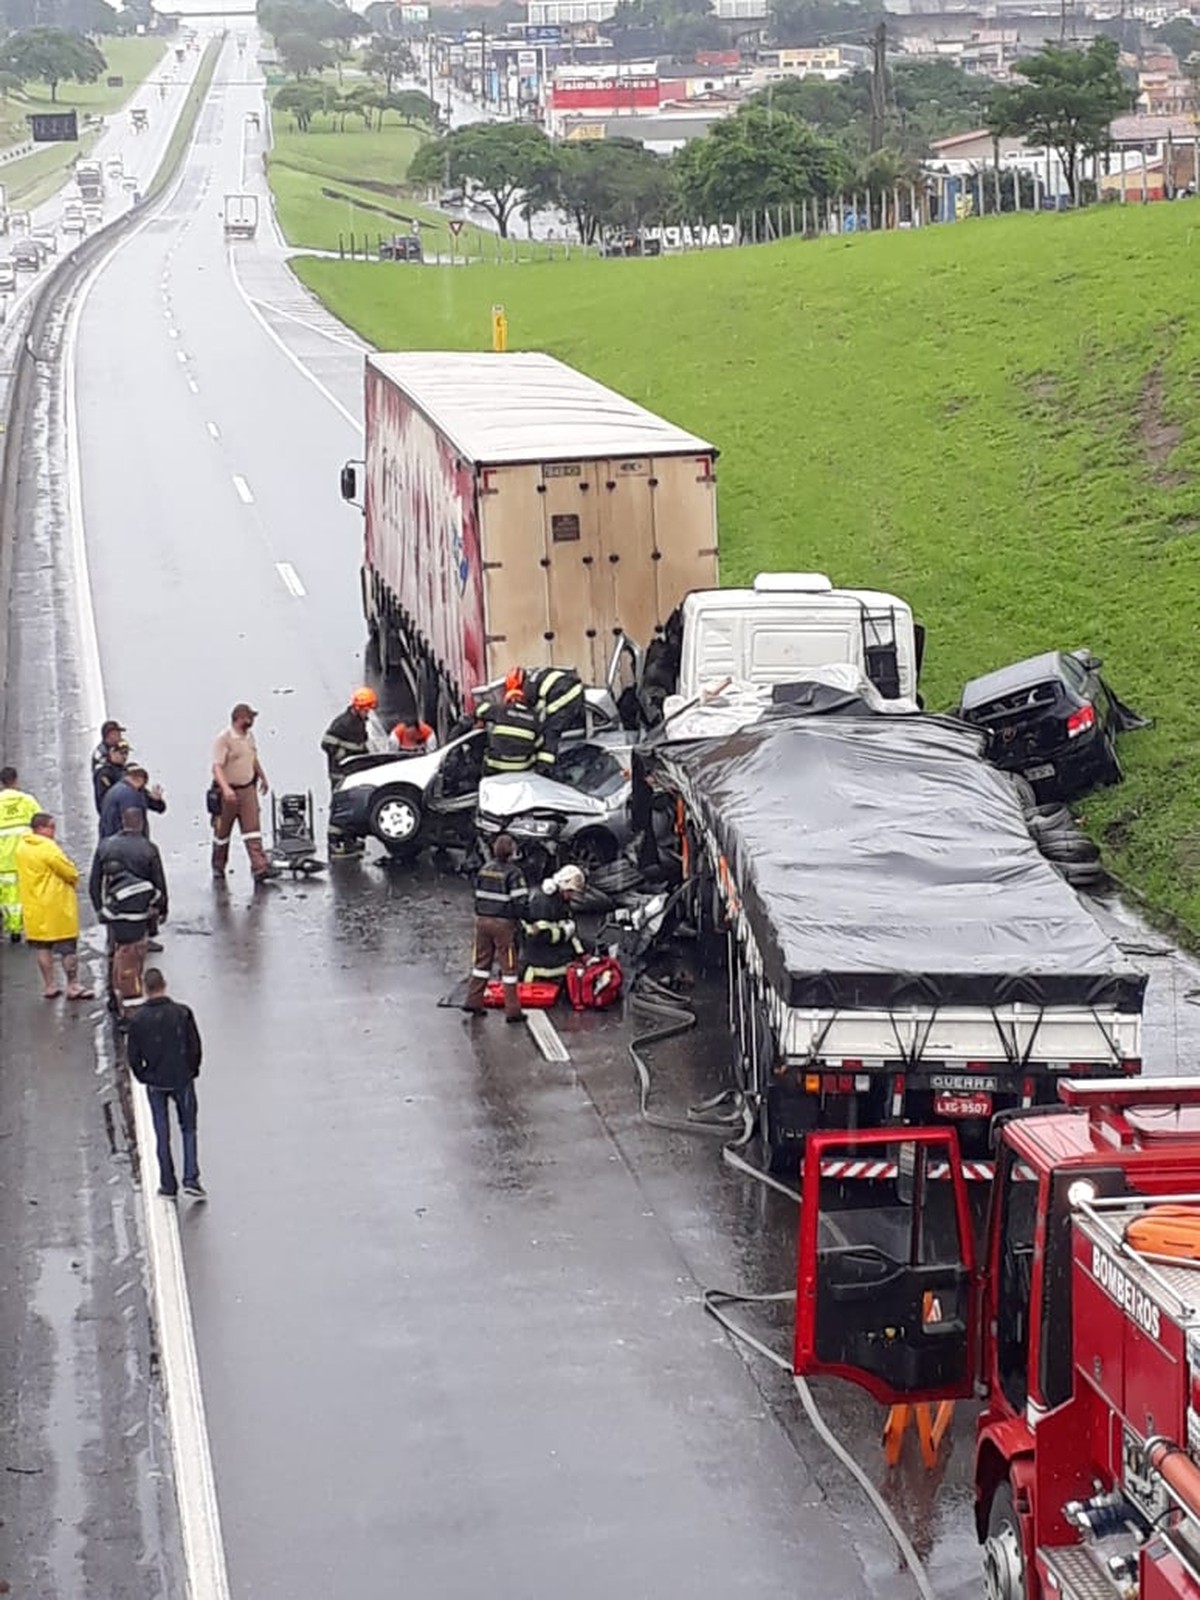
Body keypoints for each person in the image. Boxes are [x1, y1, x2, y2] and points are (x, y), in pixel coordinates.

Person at [126, 968, 205, 1201]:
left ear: (144, 987)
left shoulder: (138, 1020)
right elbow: (195, 1046)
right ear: (164, 984)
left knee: (162, 1133)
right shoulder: (182, 1013)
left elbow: (133, 1056)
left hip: (156, 1081)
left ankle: (167, 1184)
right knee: (188, 1128)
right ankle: (191, 1178)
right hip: (181, 1078)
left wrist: (144, 1076)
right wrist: (192, 1070)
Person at [89, 809, 168, 1020]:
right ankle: (132, 1007)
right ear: (141, 824)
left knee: (115, 954)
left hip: (114, 912)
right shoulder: (148, 848)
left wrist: (100, 909)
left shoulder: (105, 846)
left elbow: (94, 882)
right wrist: (161, 911)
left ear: (122, 822)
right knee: (133, 961)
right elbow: (158, 883)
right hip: (139, 914)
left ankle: (114, 999)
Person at [14, 813, 92, 1000]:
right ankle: (72, 986)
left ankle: (49, 986)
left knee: (43, 948)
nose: (54, 832)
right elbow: (69, 872)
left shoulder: (21, 847)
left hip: (35, 907)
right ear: (41, 828)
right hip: (57, 906)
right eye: (51, 827)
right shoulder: (49, 848)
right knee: (67, 948)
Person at [463, 833, 527, 1022]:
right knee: (508, 967)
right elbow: (520, 902)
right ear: (511, 851)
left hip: (482, 921)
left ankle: (473, 1001)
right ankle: (513, 1011)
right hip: (503, 924)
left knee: (481, 963)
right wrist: (522, 919)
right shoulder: (514, 873)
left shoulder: (485, 869)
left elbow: (477, 895)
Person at [211, 703, 277, 883]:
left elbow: (253, 758)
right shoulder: (224, 739)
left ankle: (260, 867)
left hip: (248, 789)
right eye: (250, 718)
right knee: (222, 833)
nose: (252, 721)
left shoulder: (249, 737)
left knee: (252, 830)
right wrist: (225, 789)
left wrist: (262, 777)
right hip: (228, 792)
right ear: (239, 718)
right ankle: (218, 866)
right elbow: (217, 767)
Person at [321, 687, 377, 856]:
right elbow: (326, 743)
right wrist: (343, 758)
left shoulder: (359, 723)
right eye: (367, 709)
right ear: (358, 708)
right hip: (341, 773)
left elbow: (360, 746)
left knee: (353, 806)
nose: (368, 713)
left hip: (352, 773)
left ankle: (349, 840)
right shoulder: (343, 724)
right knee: (340, 807)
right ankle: (334, 842)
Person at [520, 864, 587, 983]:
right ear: (563, 886)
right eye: (571, 892)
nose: (572, 896)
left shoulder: (560, 901)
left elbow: (570, 932)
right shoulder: (543, 902)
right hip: (539, 958)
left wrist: (582, 953)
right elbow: (537, 936)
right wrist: (564, 932)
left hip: (551, 950)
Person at [0, 766, 41, 941]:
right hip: (26, 856)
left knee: (7, 895)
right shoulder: (28, 801)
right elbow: (41, 823)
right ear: (16, 780)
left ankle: (12, 929)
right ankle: (29, 928)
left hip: (3, 859)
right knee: (28, 892)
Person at [479, 673, 543, 776]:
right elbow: (539, 744)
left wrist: (481, 719)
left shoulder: (501, 710)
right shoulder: (535, 718)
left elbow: (480, 709)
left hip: (496, 769)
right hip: (522, 770)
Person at [528, 666, 585, 771]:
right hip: (571, 690)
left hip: (566, 696)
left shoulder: (528, 691)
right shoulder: (533, 677)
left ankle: (544, 769)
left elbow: (537, 710)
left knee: (551, 732)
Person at [99, 762, 166, 840]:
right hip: (122, 842)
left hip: (111, 841)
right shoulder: (129, 794)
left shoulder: (137, 791)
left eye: (143, 777)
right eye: (137, 776)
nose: (141, 780)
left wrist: (157, 801)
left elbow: (160, 808)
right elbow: (132, 823)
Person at [93, 737, 129, 815]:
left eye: (126, 753)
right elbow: (104, 802)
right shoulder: (105, 773)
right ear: (112, 752)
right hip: (114, 821)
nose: (125, 757)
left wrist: (155, 800)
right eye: (121, 753)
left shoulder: (128, 773)